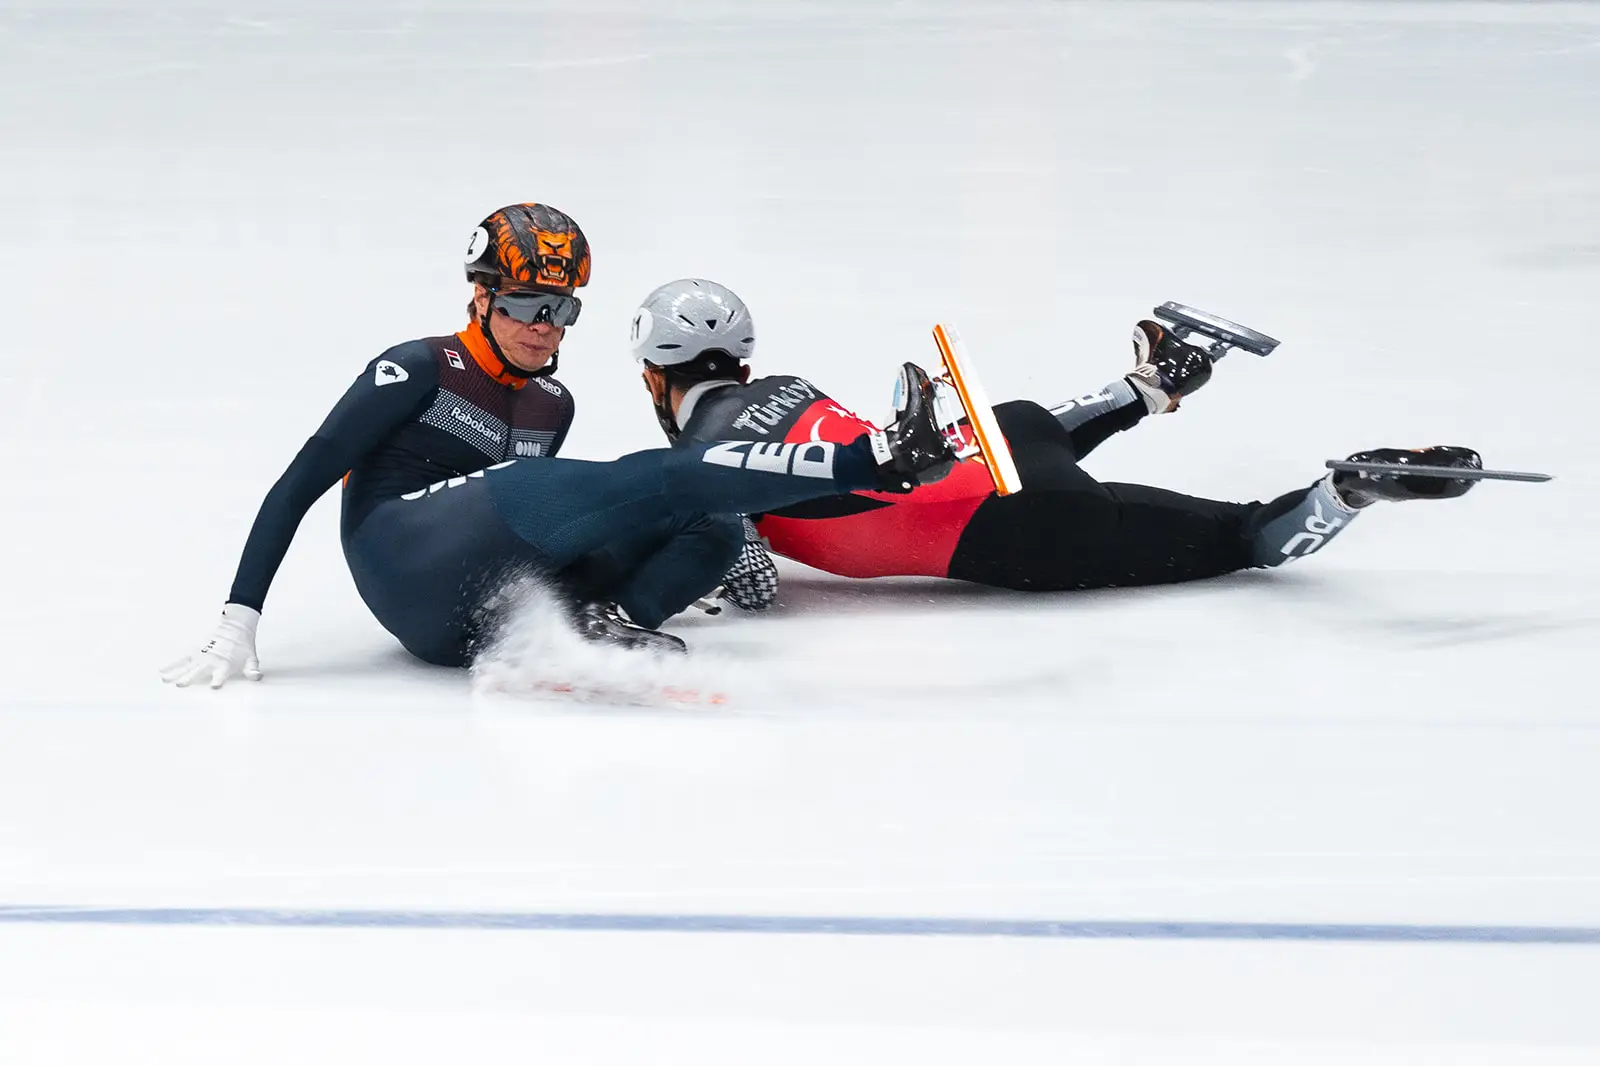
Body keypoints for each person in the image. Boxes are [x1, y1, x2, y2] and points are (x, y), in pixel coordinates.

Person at [160, 206, 960, 688]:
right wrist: (239, 619)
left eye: (563, 309)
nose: (545, 326)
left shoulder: (553, 402)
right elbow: (297, 484)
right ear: (480, 297)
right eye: (527, 305)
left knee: (709, 527)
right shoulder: (415, 366)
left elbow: (538, 538)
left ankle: (599, 632)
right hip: (401, 557)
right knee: (647, 481)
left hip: (470, 621)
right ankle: (875, 455)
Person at [629, 278, 1483, 611]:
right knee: (985, 429)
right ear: (744, 359)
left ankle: (1343, 495)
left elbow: (749, 584)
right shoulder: (793, 391)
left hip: (1013, 529)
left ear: (651, 379)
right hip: (1004, 442)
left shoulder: (692, 469)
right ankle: (1144, 387)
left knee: (1246, 535)